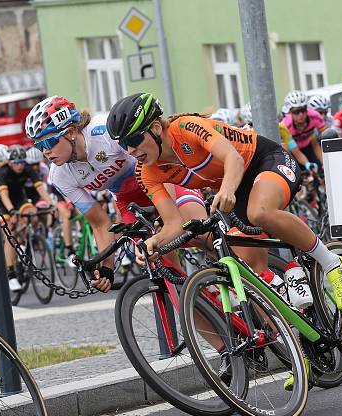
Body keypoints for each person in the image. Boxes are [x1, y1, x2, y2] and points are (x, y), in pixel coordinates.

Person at [106, 92, 342, 316]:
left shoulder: (186, 128)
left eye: (135, 139)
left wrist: (226, 189)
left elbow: (233, 159)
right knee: (245, 264)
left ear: (156, 128)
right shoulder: (147, 172)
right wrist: (153, 242)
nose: (130, 150)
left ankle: (333, 264)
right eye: (122, 144)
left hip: (264, 162)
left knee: (260, 212)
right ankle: (297, 337)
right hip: (236, 191)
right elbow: (173, 223)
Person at [25, 95, 207, 293]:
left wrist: (169, 214)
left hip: (162, 180)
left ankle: (237, 287)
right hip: (129, 202)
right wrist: (106, 268)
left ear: (70, 132)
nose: (45, 152)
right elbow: (100, 222)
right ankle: (201, 315)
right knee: (166, 270)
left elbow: (155, 159)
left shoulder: (103, 132)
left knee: (200, 234)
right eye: (39, 146)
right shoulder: (59, 175)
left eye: (48, 143)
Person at [0, 144, 55, 291]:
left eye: (22, 162)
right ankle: (11, 274)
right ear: (10, 162)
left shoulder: (28, 169)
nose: (20, 166)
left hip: (19, 198)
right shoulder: (3, 171)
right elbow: (3, 195)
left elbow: (40, 188)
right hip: (2, 203)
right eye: (16, 163)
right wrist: (11, 211)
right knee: (10, 230)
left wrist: (51, 204)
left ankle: (24, 243)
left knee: (33, 215)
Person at [281, 90, 326, 171]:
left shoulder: (315, 116)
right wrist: (306, 163)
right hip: (293, 150)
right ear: (290, 112)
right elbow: (294, 150)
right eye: (296, 112)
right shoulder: (285, 125)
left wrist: (325, 163)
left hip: (310, 145)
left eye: (303, 110)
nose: (301, 114)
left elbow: (327, 136)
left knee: (319, 168)